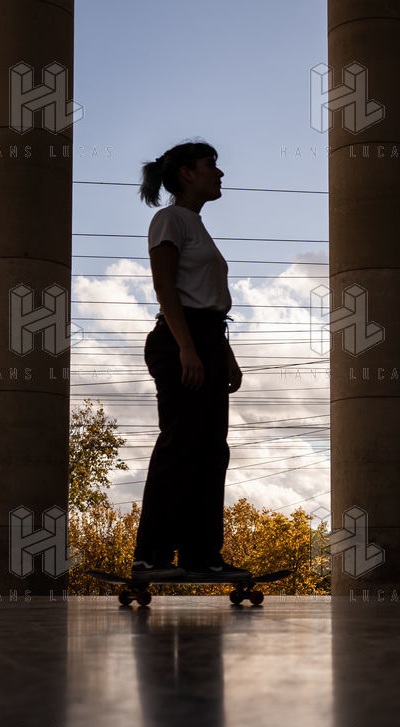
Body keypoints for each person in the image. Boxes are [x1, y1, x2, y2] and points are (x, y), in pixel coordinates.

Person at [130, 140, 249, 582]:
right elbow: (166, 288)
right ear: (185, 173)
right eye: (210, 165)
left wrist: (225, 353)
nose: (219, 173)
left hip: (208, 338)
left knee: (212, 451)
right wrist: (186, 349)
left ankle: (202, 555)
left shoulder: (195, 225)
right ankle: (151, 555)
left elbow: (209, 301)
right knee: (180, 445)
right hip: (181, 339)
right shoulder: (170, 219)